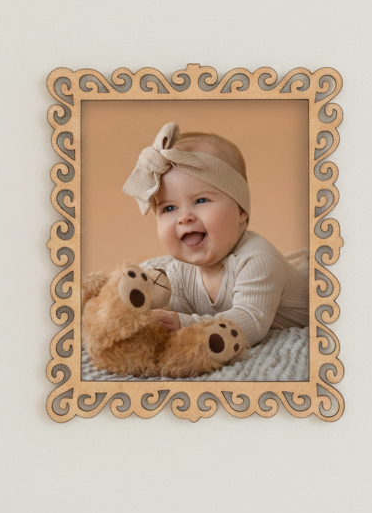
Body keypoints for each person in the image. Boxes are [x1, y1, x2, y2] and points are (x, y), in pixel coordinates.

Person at [122, 121, 308, 346]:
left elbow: (250, 322)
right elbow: (173, 311)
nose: (185, 217)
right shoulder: (180, 270)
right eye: (169, 208)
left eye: (201, 200)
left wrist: (185, 324)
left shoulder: (257, 260)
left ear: (241, 210)